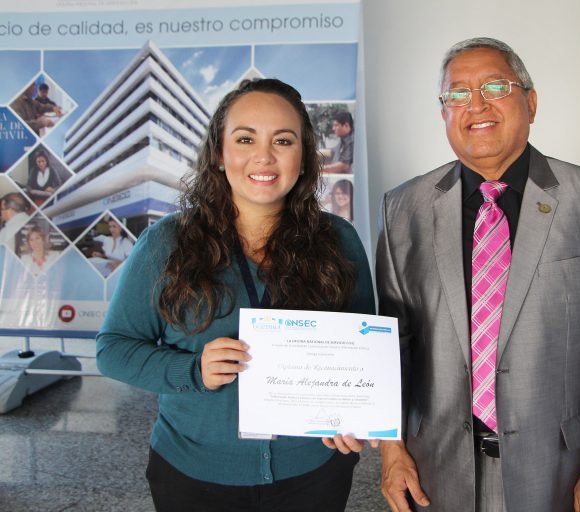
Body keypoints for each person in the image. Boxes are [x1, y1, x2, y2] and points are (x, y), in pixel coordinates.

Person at [376, 37, 580, 512]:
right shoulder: (404, 208)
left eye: (495, 87)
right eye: (457, 94)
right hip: (436, 466)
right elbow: (391, 343)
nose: (475, 105)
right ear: (444, 113)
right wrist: (390, 448)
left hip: (558, 467)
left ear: (531, 102)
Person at [96, 78, 375, 512]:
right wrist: (193, 370)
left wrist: (353, 414)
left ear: (303, 157)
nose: (264, 156)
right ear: (219, 153)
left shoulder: (338, 239)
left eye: (283, 140)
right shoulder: (167, 242)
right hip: (195, 475)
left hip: (313, 472)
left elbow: (363, 354)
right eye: (245, 139)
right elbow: (112, 350)